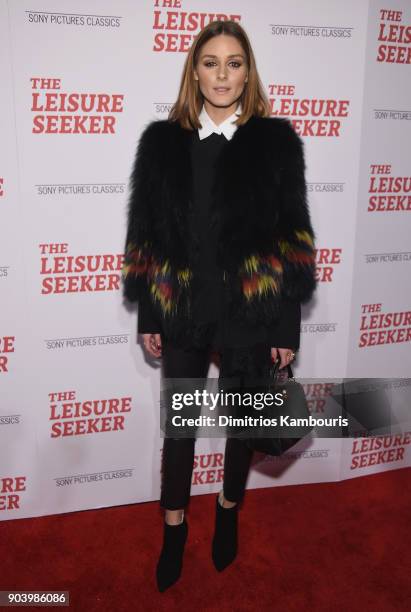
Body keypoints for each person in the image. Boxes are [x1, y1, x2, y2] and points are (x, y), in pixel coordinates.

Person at [122, 20, 316, 592]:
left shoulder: (276, 143)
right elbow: (146, 237)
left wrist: (286, 325)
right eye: (211, 62)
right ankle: (175, 529)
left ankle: (228, 511)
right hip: (181, 304)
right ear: (194, 71)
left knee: (242, 424)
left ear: (247, 71)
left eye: (234, 63)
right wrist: (150, 314)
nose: (222, 74)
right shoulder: (161, 142)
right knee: (179, 427)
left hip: (249, 310)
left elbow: (294, 240)